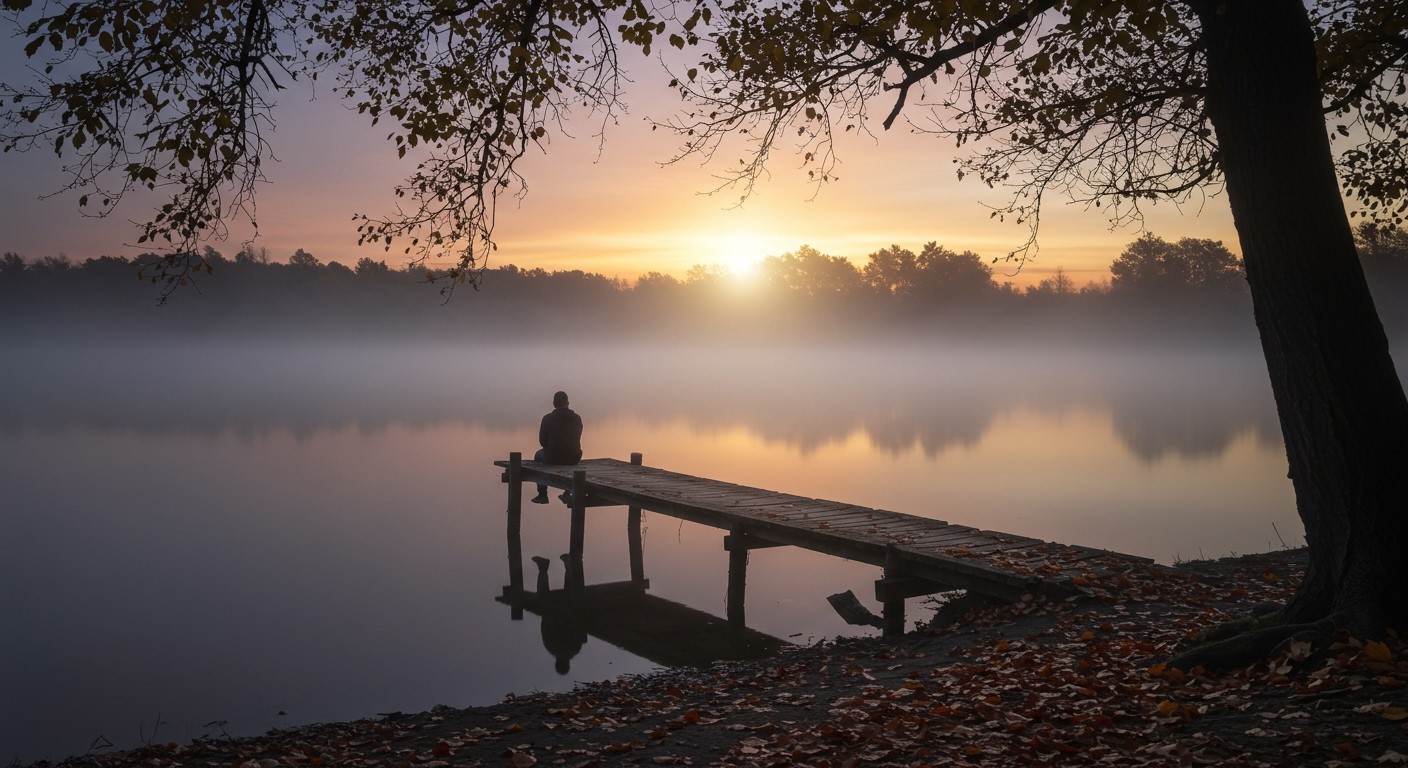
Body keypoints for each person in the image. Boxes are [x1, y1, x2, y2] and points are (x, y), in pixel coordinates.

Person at [531, 390, 583, 504]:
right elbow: (577, 439)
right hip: (574, 457)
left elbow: (543, 442)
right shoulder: (577, 418)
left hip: (553, 457)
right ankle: (567, 492)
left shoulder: (547, 418)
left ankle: (542, 495)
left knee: (537, 455)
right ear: (568, 403)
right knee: (569, 454)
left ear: (554, 403)